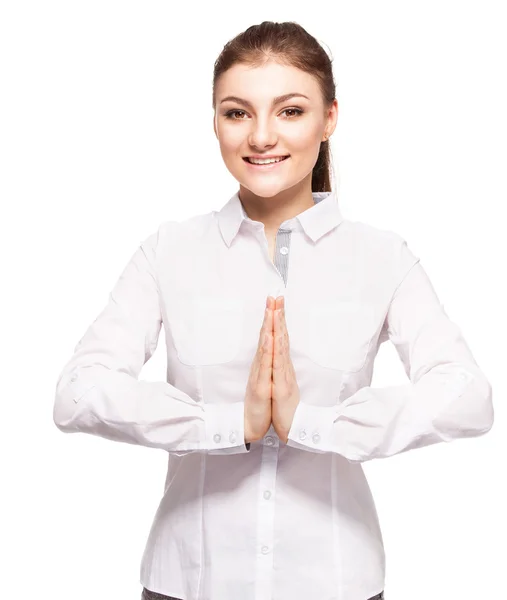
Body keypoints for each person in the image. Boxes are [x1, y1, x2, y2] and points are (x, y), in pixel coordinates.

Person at [53, 20, 494, 600]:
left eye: (290, 111)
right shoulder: (169, 251)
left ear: (329, 118)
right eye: (237, 113)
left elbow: (468, 397)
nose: (261, 136)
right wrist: (230, 425)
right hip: (189, 581)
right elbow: (78, 393)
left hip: (334, 583)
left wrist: (311, 424)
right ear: (215, 121)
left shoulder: (382, 257)